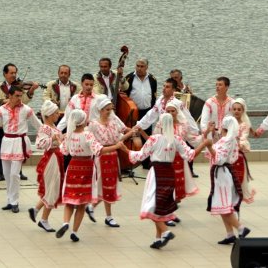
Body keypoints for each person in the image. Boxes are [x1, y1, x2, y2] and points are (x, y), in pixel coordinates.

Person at [121, 113, 207, 249]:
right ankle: (158, 238)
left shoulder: (154, 139)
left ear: (160, 124)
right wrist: (204, 144)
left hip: (156, 174)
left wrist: (126, 150)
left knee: (150, 206)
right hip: (169, 173)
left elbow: (140, 155)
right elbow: (190, 155)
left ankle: (166, 232)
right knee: (160, 207)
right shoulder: (176, 139)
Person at [55, 109, 125, 242]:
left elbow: (64, 150)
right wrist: (116, 146)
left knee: (70, 199)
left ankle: (65, 223)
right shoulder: (87, 135)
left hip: (73, 166)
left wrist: (59, 140)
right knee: (81, 203)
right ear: (83, 121)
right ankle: (74, 232)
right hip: (86, 167)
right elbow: (100, 150)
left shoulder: (69, 135)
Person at [0, 86, 42, 213]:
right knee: (7, 174)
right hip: (7, 141)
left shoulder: (26, 109)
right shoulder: (1, 110)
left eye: (21, 96)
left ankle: (15, 202)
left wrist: (51, 134)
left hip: (19, 141)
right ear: (10, 96)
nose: (20, 99)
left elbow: (38, 125)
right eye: (17, 96)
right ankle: (9, 200)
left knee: (14, 174)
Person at [203, 116, 251, 245]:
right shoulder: (230, 140)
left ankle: (241, 228)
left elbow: (218, 159)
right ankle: (230, 233)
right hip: (223, 173)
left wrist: (209, 147)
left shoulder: (226, 141)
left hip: (222, 175)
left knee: (224, 206)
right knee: (221, 205)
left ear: (224, 128)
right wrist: (208, 134)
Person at [86, 97, 133, 228]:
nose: (109, 112)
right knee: (103, 184)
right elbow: (89, 141)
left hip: (113, 156)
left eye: (110, 109)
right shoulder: (93, 124)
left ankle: (94, 208)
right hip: (101, 157)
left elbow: (118, 139)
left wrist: (130, 133)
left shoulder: (113, 123)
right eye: (107, 110)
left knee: (110, 184)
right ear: (100, 110)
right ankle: (107, 216)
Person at [152, 101, 201, 226]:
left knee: (176, 187)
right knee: (168, 188)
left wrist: (205, 136)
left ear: (177, 112)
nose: (170, 113)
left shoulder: (183, 125)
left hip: (179, 160)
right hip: (166, 159)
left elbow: (192, 139)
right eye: (167, 111)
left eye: (172, 111)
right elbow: (155, 140)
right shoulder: (161, 125)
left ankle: (170, 213)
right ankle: (166, 215)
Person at [0, 63, 41, 181]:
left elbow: (24, 101)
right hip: (3, 124)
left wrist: (31, 90)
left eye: (15, 73)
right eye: (11, 73)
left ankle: (19, 171)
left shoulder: (19, 87)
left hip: (17, 125)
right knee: (0, 149)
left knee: (18, 149)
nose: (14, 75)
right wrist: (6, 100)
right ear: (5, 74)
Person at [135, 78, 200, 169]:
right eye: (164, 86)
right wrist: (138, 126)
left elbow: (188, 118)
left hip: (176, 133)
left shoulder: (177, 103)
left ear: (173, 90)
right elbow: (150, 115)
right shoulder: (160, 101)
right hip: (162, 134)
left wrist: (195, 132)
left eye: (167, 87)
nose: (164, 88)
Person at [28, 101, 64, 232]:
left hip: (56, 157)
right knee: (52, 189)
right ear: (48, 115)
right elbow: (39, 144)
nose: (58, 114)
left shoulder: (53, 127)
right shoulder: (45, 128)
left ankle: (36, 210)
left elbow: (58, 139)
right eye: (55, 113)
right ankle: (43, 219)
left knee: (52, 188)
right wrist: (52, 139)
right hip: (51, 159)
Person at [123, 58, 157, 168]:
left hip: (147, 112)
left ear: (147, 67)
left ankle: (146, 163)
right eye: (137, 66)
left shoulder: (152, 79)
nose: (139, 68)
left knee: (147, 136)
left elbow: (153, 96)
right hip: (133, 112)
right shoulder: (129, 78)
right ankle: (128, 162)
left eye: (142, 66)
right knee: (130, 135)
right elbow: (124, 95)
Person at [232, 98, 256, 204]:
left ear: (242, 111)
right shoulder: (228, 122)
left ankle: (236, 206)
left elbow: (243, 138)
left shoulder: (244, 125)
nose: (236, 111)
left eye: (239, 109)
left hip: (238, 155)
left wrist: (238, 145)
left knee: (239, 180)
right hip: (227, 154)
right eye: (235, 109)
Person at [200, 76, 234, 142]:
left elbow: (235, 120)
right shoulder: (209, 102)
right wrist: (208, 132)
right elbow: (203, 121)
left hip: (227, 136)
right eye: (216, 85)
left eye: (220, 85)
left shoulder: (232, 103)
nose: (217, 87)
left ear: (227, 87)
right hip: (212, 135)